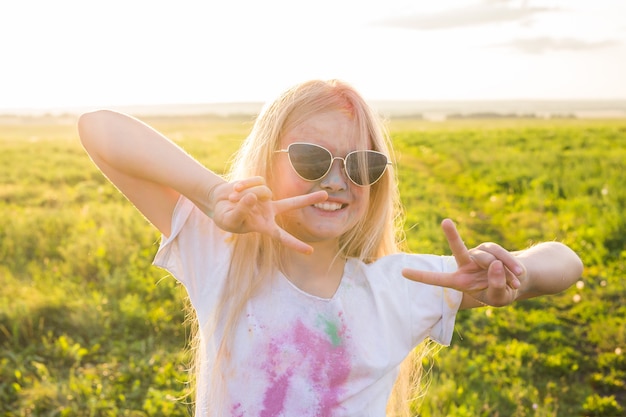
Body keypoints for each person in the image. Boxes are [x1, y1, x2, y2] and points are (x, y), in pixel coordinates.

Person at [78, 79, 583, 417]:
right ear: (267, 159)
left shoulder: (399, 287)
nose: (339, 181)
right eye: (312, 158)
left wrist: (518, 274)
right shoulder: (224, 258)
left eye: (362, 165)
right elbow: (98, 129)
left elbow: (567, 261)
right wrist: (212, 194)